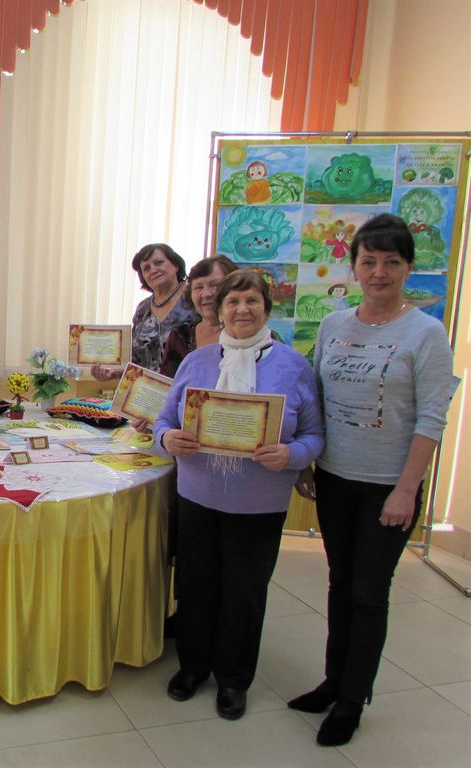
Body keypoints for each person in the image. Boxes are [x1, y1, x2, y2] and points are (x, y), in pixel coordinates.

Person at [288, 214, 455, 747]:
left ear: (408, 267)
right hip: (336, 479)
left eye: (391, 261)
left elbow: (431, 419)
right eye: (369, 261)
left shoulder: (426, 333)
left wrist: (406, 490)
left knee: (368, 592)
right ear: (354, 267)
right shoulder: (335, 324)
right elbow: (315, 399)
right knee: (340, 584)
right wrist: (306, 461)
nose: (379, 271)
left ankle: (352, 699)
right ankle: (332, 682)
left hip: (389, 486)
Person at [154, 269, 324, 721]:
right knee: (195, 586)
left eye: (252, 301)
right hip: (198, 496)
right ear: (220, 310)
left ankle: (233, 679)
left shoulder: (293, 366)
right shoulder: (198, 361)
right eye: (233, 302)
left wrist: (290, 454)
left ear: (267, 308)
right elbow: (163, 420)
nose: (242, 310)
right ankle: (193, 667)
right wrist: (168, 438)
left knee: (244, 594)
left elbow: (314, 436)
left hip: (258, 505)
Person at [91, 243, 198, 380]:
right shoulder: (143, 309)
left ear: (176, 265)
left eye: (158, 263)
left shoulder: (195, 297)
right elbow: (137, 360)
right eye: (146, 268)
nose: (153, 270)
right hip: (146, 390)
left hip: (186, 387)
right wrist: (114, 373)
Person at [160, 254, 239, 379]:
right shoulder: (181, 336)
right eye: (198, 287)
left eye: (214, 285)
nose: (206, 294)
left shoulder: (251, 335)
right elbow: (167, 384)